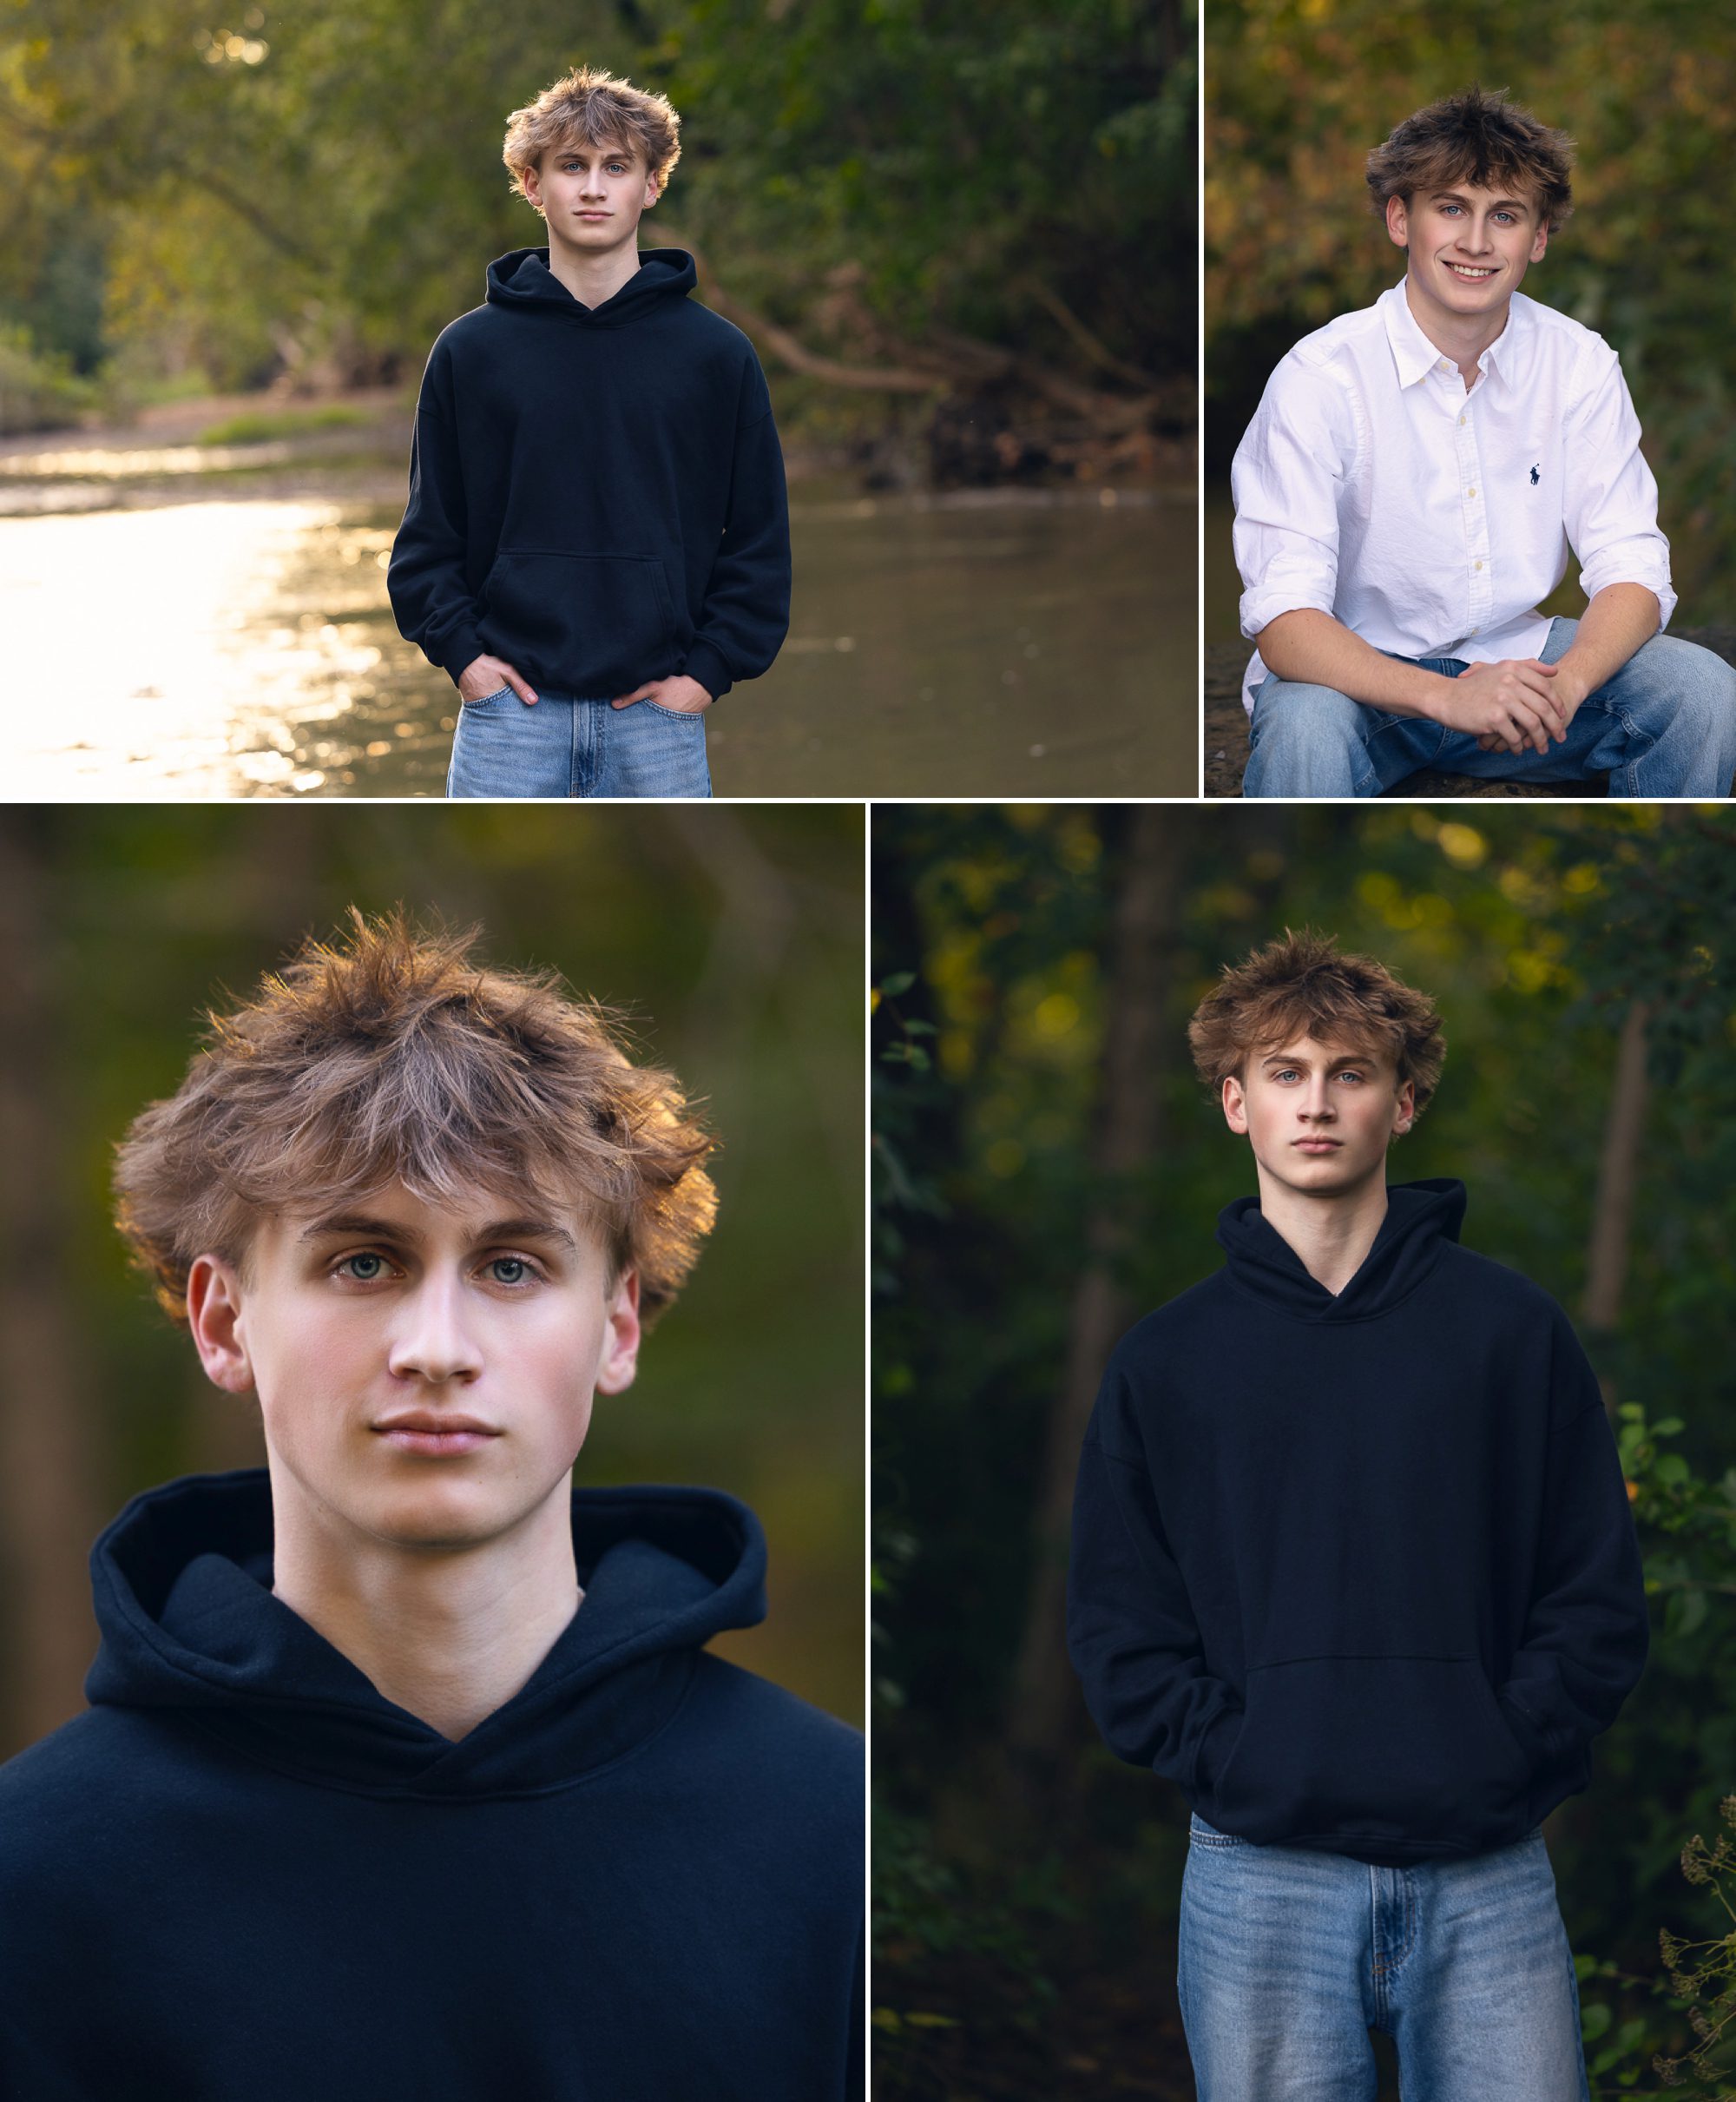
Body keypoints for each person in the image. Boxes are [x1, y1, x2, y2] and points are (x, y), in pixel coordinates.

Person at [0, 912, 861, 2102]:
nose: (438, 1348)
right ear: (222, 1320)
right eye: (364, 1262)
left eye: (512, 1267)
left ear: (616, 1325)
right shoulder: (34, 1873)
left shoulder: (833, 1837)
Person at [1067, 930, 1647, 2099]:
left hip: (1484, 1867)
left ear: (1406, 1102)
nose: (1316, 1103)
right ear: (1236, 1103)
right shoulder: (1169, 1362)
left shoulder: (1508, 1334)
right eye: (1285, 1073)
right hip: (1260, 1870)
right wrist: (1233, 1755)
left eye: (1351, 1074)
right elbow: (1121, 1619)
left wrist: (1505, 1746)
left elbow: (1592, 1590)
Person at [1231, 87, 1736, 798]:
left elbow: (1632, 565)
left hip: (1526, 666)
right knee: (1305, 733)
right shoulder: (1319, 378)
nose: (1475, 242)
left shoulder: (1578, 364)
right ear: (1400, 219)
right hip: (1354, 683)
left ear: (1538, 238)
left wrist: (1569, 686)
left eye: (1504, 216)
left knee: (1706, 692)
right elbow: (1284, 621)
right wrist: (1447, 697)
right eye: (1451, 209)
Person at [387, 68, 792, 799]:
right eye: (572, 166)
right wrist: (467, 663)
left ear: (653, 184)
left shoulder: (716, 356)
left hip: (660, 723)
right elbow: (427, 541)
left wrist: (705, 674)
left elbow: (760, 542)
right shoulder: (470, 353)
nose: (595, 188)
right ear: (534, 184)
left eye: (617, 167)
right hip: (508, 720)